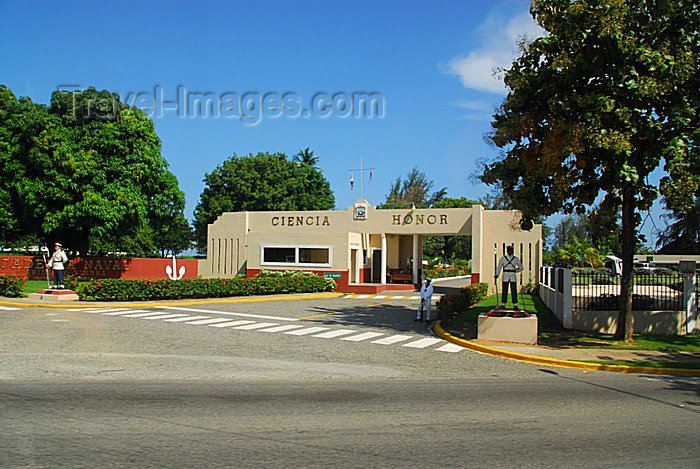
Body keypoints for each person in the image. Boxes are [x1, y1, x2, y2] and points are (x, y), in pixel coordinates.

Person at [495, 245, 523, 309]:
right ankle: (503, 304)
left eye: (511, 250)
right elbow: (499, 267)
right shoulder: (503, 259)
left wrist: (515, 270)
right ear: (507, 251)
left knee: (514, 290)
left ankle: (515, 304)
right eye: (509, 250)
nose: (510, 251)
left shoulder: (516, 259)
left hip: (513, 275)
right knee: (504, 289)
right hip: (505, 274)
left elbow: (521, 267)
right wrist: (497, 274)